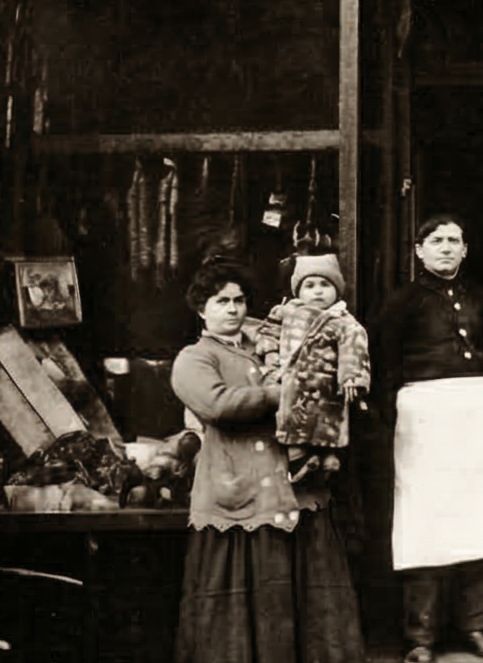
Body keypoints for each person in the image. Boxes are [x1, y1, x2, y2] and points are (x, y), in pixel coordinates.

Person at [172, 255, 366, 663]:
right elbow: (218, 404)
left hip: (291, 488)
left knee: (300, 604)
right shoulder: (194, 358)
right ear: (200, 308)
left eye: (239, 301)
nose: (233, 310)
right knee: (242, 607)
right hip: (238, 491)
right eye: (221, 302)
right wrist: (280, 394)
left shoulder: (269, 342)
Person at [375, 214, 483, 663]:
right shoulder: (402, 301)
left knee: (479, 513)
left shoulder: (480, 298)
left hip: (476, 410)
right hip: (425, 414)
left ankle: (474, 627)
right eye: (436, 241)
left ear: (465, 249)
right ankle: (421, 637)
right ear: (419, 250)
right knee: (425, 520)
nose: (446, 248)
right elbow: (384, 361)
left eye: (454, 240)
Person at [262, 243, 370, 483]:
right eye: (310, 286)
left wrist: (351, 376)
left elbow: (355, 346)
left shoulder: (342, 320)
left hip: (325, 381)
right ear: (298, 291)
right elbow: (268, 333)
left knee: (326, 420)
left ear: (337, 290)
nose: (318, 292)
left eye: (325, 285)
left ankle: (327, 454)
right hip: (292, 378)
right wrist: (269, 357)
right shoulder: (286, 312)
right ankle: (299, 458)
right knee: (293, 417)